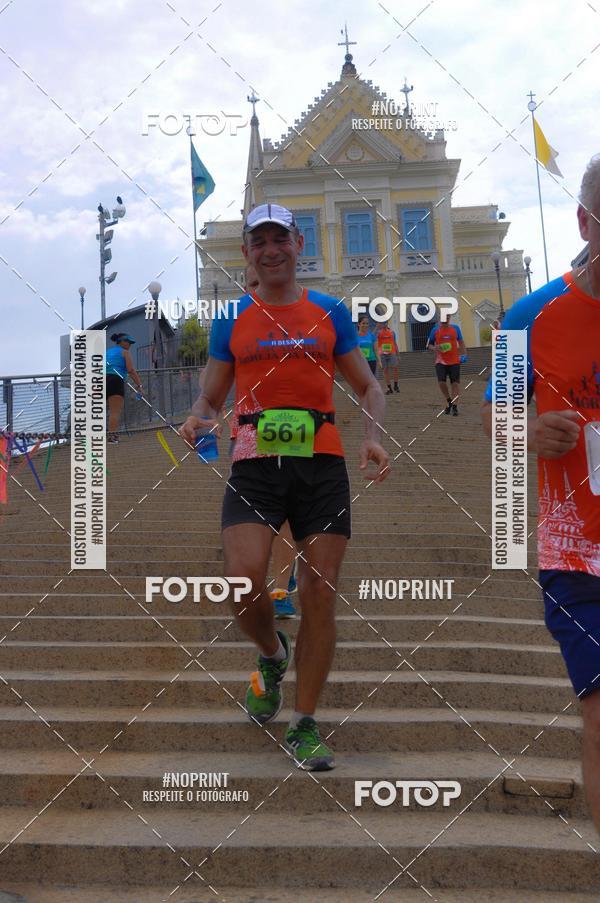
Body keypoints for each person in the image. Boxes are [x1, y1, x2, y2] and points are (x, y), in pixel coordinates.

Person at [181, 203, 389, 770]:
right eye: (259, 241)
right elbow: (210, 396)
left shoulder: (328, 312)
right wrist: (199, 416)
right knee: (241, 582)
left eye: (281, 239)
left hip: (322, 464)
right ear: (247, 253)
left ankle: (304, 723)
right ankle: (272, 654)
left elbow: (369, 387)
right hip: (253, 462)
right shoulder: (232, 318)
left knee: (320, 593)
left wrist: (372, 436)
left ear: (300, 244)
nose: (271, 249)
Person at [481, 153, 600, 831]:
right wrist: (529, 428)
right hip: (577, 554)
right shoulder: (531, 312)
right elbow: (495, 414)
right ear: (585, 221)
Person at [105, 333, 143, 443]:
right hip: (115, 380)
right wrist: (139, 385)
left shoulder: (107, 352)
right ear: (121, 341)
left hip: (101, 380)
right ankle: (112, 437)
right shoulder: (125, 352)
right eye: (128, 342)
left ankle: (88, 437)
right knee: (114, 412)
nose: (130, 345)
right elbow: (130, 370)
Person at [426, 313, 466, 416]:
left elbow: (461, 343)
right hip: (441, 361)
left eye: (448, 316)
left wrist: (464, 354)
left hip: (454, 361)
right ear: (440, 318)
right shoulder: (435, 330)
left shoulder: (455, 328)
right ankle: (449, 400)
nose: (446, 318)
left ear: (449, 318)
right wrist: (434, 348)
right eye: (444, 316)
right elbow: (429, 345)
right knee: (441, 383)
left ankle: (455, 407)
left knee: (455, 384)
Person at [376, 320, 400, 394]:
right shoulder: (378, 333)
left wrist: (398, 354)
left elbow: (395, 343)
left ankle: (396, 385)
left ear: (387, 323)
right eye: (382, 323)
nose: (384, 324)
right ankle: (389, 388)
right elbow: (373, 338)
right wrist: (376, 327)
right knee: (385, 371)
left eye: (385, 322)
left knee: (395, 368)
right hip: (382, 354)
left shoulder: (392, 332)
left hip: (392, 352)